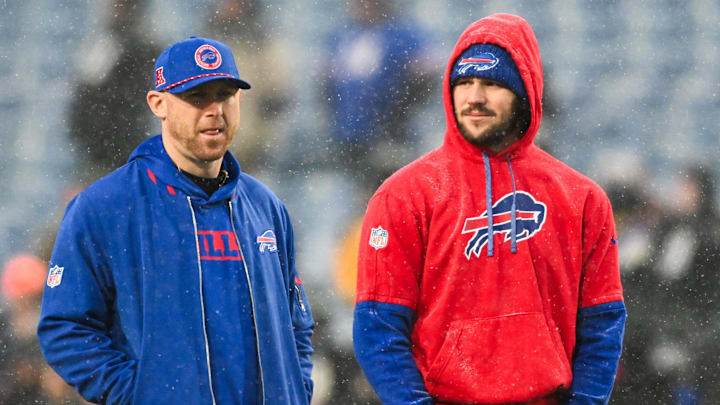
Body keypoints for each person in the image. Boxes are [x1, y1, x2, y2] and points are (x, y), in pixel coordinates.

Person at [353, 14, 626, 405]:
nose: (474, 97)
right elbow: (378, 328)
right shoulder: (402, 197)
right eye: (464, 82)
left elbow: (602, 324)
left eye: (492, 83)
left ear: (525, 91)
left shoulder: (582, 200)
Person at [37, 37, 315, 405]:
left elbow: (297, 326)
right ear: (159, 104)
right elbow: (66, 328)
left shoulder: (266, 208)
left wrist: (295, 391)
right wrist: (140, 394)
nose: (215, 109)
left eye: (225, 94)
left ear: (240, 101)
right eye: (197, 96)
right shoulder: (104, 207)